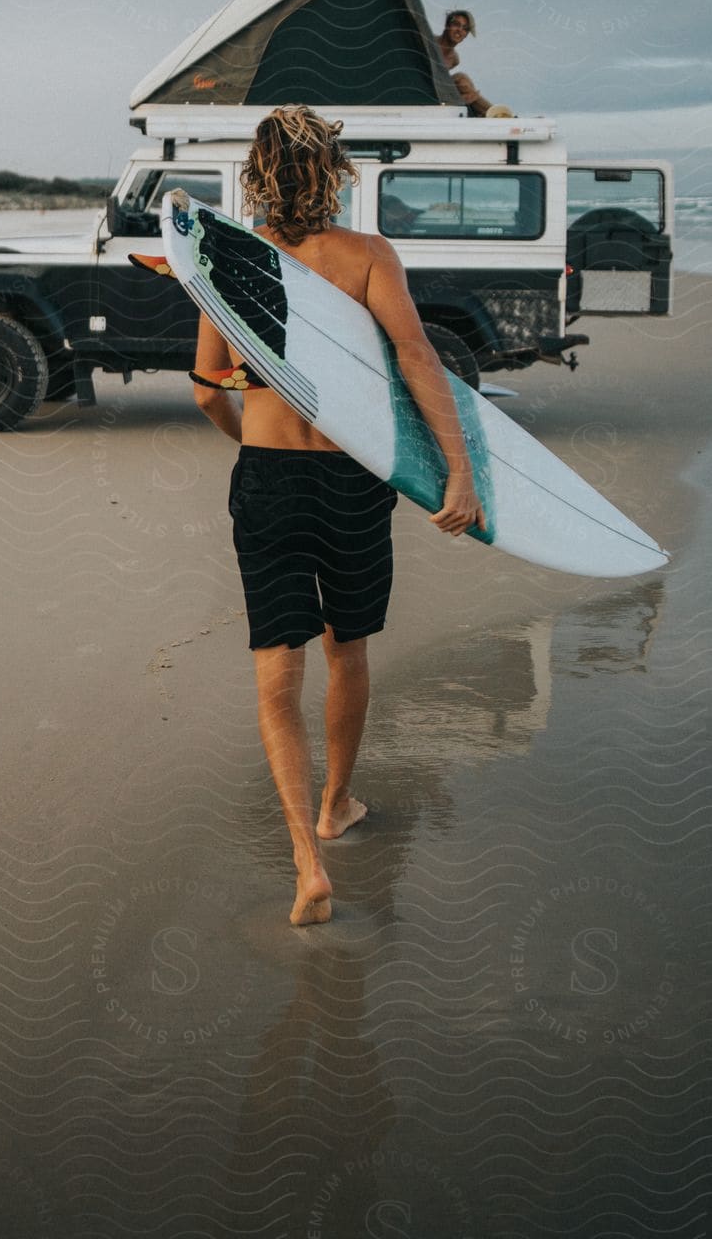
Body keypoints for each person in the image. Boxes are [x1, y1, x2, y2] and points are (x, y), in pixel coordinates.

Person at [191, 106, 483, 929]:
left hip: (269, 478)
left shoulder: (227, 261)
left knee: (275, 671)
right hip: (352, 481)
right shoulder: (366, 257)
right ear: (335, 172)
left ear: (256, 173)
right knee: (345, 647)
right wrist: (456, 472)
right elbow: (417, 358)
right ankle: (337, 803)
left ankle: (306, 865)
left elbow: (208, 386)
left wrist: (249, 439)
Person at [434, 9, 513, 118]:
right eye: (456, 24)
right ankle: (497, 115)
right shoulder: (430, 43)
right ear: (447, 25)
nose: (459, 30)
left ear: (466, 35)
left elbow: (442, 81)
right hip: (425, 91)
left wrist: (463, 97)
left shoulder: (454, 59)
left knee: (463, 79)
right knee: (462, 79)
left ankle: (493, 114)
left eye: (465, 29)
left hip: (440, 94)